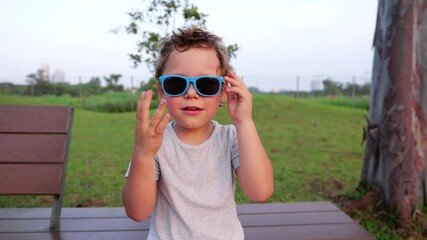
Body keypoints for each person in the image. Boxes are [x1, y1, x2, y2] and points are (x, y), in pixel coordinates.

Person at [123, 25, 274, 240]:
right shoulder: (154, 143)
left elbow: (260, 191)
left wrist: (244, 121)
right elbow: (137, 212)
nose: (191, 93)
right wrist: (143, 154)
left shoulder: (230, 137)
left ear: (224, 91)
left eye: (206, 84)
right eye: (177, 84)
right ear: (162, 90)